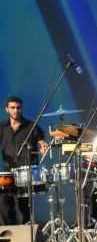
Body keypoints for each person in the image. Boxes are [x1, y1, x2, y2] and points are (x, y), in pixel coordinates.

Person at [0, 96, 49, 225]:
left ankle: (26, 236)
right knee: (4, 204)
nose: (16, 110)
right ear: (7, 109)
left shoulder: (31, 126)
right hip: (9, 173)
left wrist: (43, 145)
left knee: (24, 207)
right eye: (13, 108)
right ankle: (9, 236)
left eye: (18, 108)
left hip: (26, 172)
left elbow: (41, 140)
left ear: (21, 108)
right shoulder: (2, 127)